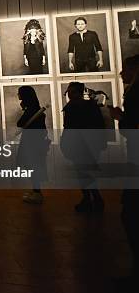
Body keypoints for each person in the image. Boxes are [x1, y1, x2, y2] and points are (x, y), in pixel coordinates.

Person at [109, 54, 139, 290]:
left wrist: (121, 117)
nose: (121, 73)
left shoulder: (135, 93)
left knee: (131, 213)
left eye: (125, 69)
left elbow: (132, 127)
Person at [60, 82, 107, 213]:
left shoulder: (76, 107)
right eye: (68, 92)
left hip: (83, 146)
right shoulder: (89, 106)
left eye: (72, 91)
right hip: (85, 145)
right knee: (84, 173)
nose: (69, 94)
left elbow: (70, 128)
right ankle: (91, 199)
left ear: (79, 92)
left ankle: (93, 199)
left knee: (84, 174)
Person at [16, 86, 50, 204]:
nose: (18, 95)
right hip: (34, 142)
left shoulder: (31, 109)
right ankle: (36, 191)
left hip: (32, 143)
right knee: (32, 166)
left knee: (33, 167)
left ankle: (37, 192)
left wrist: (25, 110)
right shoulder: (34, 108)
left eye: (19, 93)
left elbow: (20, 123)